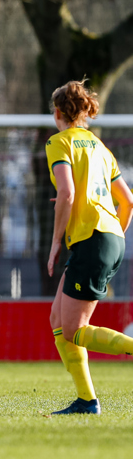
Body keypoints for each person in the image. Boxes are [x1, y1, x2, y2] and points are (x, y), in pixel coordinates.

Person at [44, 80, 133, 415]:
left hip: (92, 239)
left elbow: (66, 193)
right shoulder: (99, 146)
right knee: (58, 319)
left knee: (73, 330)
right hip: (110, 236)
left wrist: (56, 242)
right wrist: (113, 237)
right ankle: (86, 400)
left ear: (57, 112)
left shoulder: (58, 142)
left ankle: (88, 399)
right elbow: (128, 201)